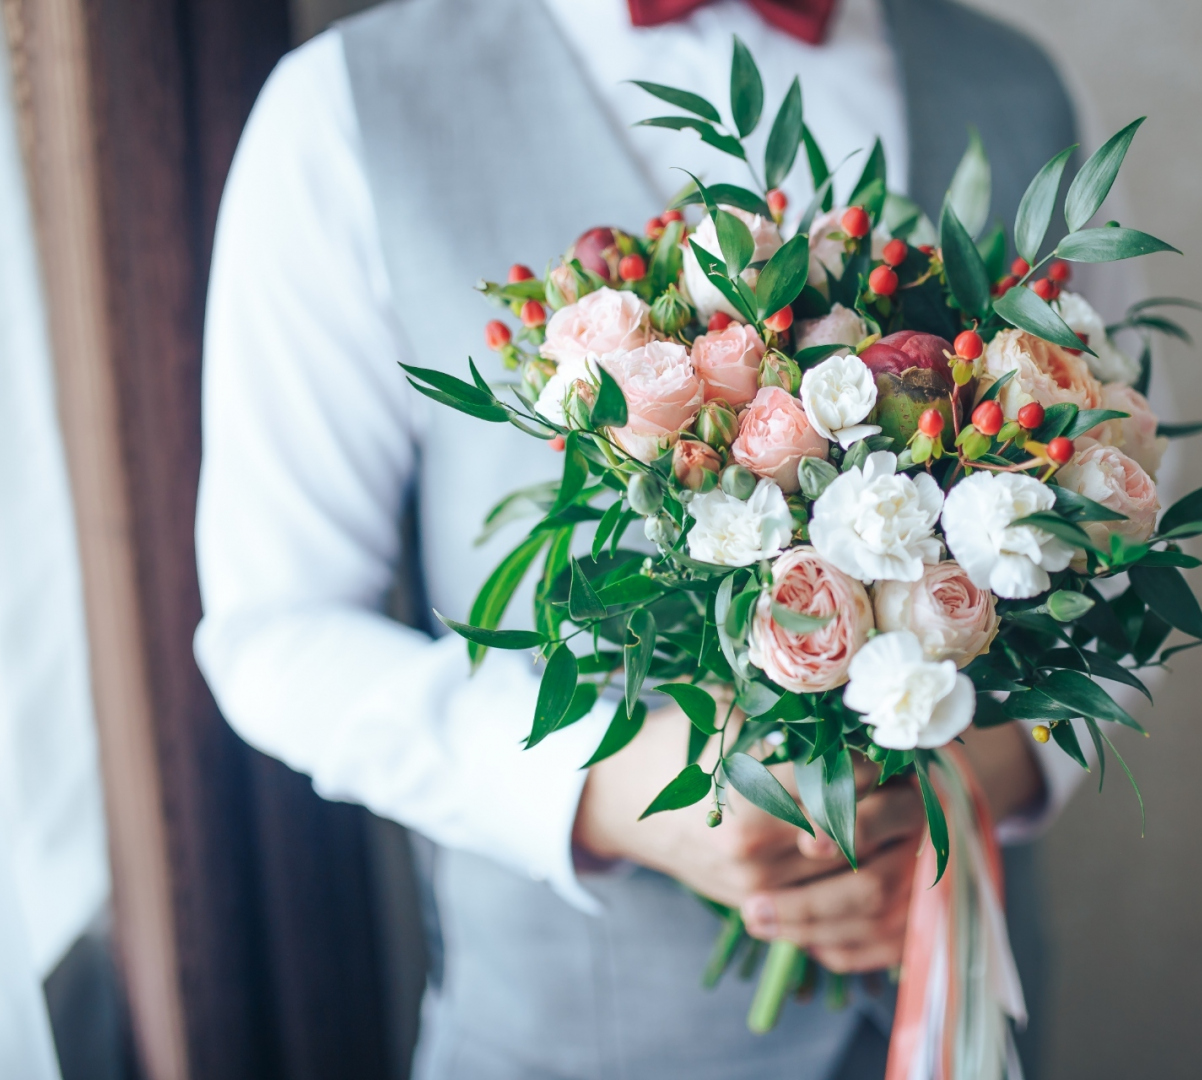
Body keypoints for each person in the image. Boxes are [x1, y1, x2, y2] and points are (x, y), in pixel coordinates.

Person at [195, 1, 1139, 1075]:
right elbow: (276, 630)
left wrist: (985, 775)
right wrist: (605, 792)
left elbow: (1119, 550)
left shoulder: (1021, 85)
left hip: (958, 1031)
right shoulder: (341, 109)